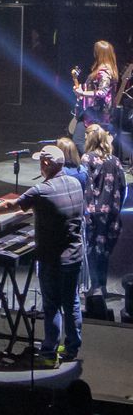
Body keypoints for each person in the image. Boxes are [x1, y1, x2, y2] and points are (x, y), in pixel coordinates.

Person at [0, 145, 85, 365]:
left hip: (52, 259)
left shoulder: (41, 191)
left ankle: (49, 354)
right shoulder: (76, 183)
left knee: (52, 305)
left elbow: (11, 206)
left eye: (41, 162)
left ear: (47, 164)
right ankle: (72, 349)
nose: (40, 165)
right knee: (72, 303)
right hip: (74, 255)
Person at [80, 124, 126, 304]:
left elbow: (86, 186)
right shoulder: (115, 160)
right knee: (105, 250)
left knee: (92, 250)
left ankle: (95, 287)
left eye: (86, 136)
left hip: (94, 213)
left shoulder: (87, 159)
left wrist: (86, 210)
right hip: (112, 213)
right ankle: (102, 286)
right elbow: (123, 187)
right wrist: (116, 207)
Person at [71, 40, 118, 134]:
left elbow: (102, 92)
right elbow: (94, 87)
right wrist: (81, 89)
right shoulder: (104, 69)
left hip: (97, 114)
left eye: (95, 51)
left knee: (82, 138)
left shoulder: (104, 71)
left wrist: (82, 93)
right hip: (94, 112)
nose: (94, 53)